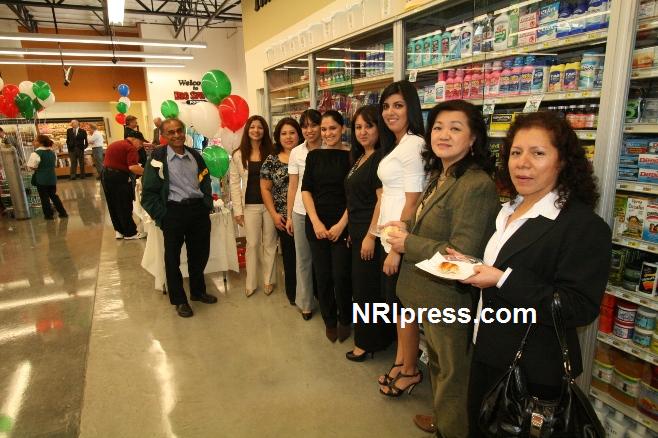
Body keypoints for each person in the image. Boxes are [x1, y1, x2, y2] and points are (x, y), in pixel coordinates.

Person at [462, 111, 612, 437]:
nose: (523, 163)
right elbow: (509, 264)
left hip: (532, 370)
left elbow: (578, 306)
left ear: (563, 162)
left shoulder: (582, 226)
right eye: (516, 152)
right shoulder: (509, 209)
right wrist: (469, 264)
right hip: (487, 350)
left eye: (538, 153)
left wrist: (502, 279)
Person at [385, 101, 500, 437]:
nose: (443, 135)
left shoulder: (476, 184)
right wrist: (406, 225)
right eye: (437, 127)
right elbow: (431, 225)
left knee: (453, 373)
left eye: (455, 128)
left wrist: (409, 242)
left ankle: (452, 429)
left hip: (449, 299)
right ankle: (442, 417)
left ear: (473, 138)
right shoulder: (443, 174)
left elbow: (463, 255)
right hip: (427, 294)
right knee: (437, 363)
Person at [375, 80, 426, 392]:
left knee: (403, 307)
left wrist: (396, 249)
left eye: (398, 105)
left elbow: (413, 200)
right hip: (389, 237)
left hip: (400, 241)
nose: (390, 112)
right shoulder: (398, 144)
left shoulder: (415, 145)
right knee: (396, 306)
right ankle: (400, 361)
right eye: (386, 106)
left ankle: (410, 370)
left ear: (411, 109)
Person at [141, 118, 217, 318]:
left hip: (198, 211)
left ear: (184, 132)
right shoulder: (157, 159)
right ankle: (179, 300)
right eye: (171, 132)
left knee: (199, 254)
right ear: (163, 136)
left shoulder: (195, 155)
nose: (176, 135)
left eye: (179, 131)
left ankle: (198, 291)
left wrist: (206, 203)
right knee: (172, 258)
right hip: (173, 212)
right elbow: (148, 193)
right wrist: (163, 215)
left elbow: (205, 180)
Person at [344, 105, 391, 361]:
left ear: (379, 128)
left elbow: (381, 201)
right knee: (363, 289)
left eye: (368, 126)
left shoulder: (380, 159)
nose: (362, 132)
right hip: (359, 231)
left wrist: (371, 236)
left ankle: (365, 343)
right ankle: (374, 338)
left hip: (370, 234)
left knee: (366, 291)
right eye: (358, 127)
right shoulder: (361, 156)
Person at [302, 110, 352, 343]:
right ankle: (330, 321)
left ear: (343, 129)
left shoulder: (352, 157)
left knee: (341, 276)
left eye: (333, 128)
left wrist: (342, 225)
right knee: (322, 276)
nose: (328, 133)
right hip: (317, 225)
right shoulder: (313, 157)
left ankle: (345, 319)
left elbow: (354, 196)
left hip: (343, 224)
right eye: (324, 129)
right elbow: (306, 190)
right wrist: (316, 222)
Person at [229, 115, 277, 297]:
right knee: (252, 244)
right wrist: (237, 210)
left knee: (270, 243)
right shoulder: (238, 154)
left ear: (265, 131)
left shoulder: (272, 152)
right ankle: (251, 282)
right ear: (247, 130)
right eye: (252, 127)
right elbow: (234, 184)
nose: (256, 130)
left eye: (260, 127)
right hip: (249, 206)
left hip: (270, 205)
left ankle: (268, 280)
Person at [260, 118, 302, 309]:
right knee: (291, 257)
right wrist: (274, 215)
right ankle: (293, 293)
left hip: (308, 215)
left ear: (299, 134)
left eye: (292, 132)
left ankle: (311, 293)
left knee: (309, 257)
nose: (288, 137)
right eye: (284, 133)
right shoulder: (271, 161)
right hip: (284, 217)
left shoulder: (307, 155)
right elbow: (265, 189)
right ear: (278, 136)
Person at [287, 109, 322, 320]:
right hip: (300, 212)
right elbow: (293, 186)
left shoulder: (330, 147)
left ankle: (327, 301)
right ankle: (306, 303)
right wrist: (289, 215)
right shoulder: (296, 152)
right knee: (303, 259)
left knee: (323, 261)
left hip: (325, 212)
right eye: (305, 126)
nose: (309, 130)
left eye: (313, 125)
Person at [102, 130, 146, 240]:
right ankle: (130, 233)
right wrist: (149, 172)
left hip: (105, 176)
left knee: (113, 204)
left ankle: (119, 231)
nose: (140, 146)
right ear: (134, 139)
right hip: (119, 177)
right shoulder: (130, 148)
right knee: (124, 204)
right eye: (140, 143)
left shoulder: (115, 144)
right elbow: (133, 167)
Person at [27, 135, 68, 220]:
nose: (34, 142)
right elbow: (54, 164)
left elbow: (31, 166)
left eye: (35, 140)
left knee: (44, 198)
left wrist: (38, 168)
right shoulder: (52, 152)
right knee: (54, 196)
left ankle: (48, 215)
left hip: (41, 179)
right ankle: (63, 212)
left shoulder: (36, 153)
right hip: (52, 177)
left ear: (41, 143)